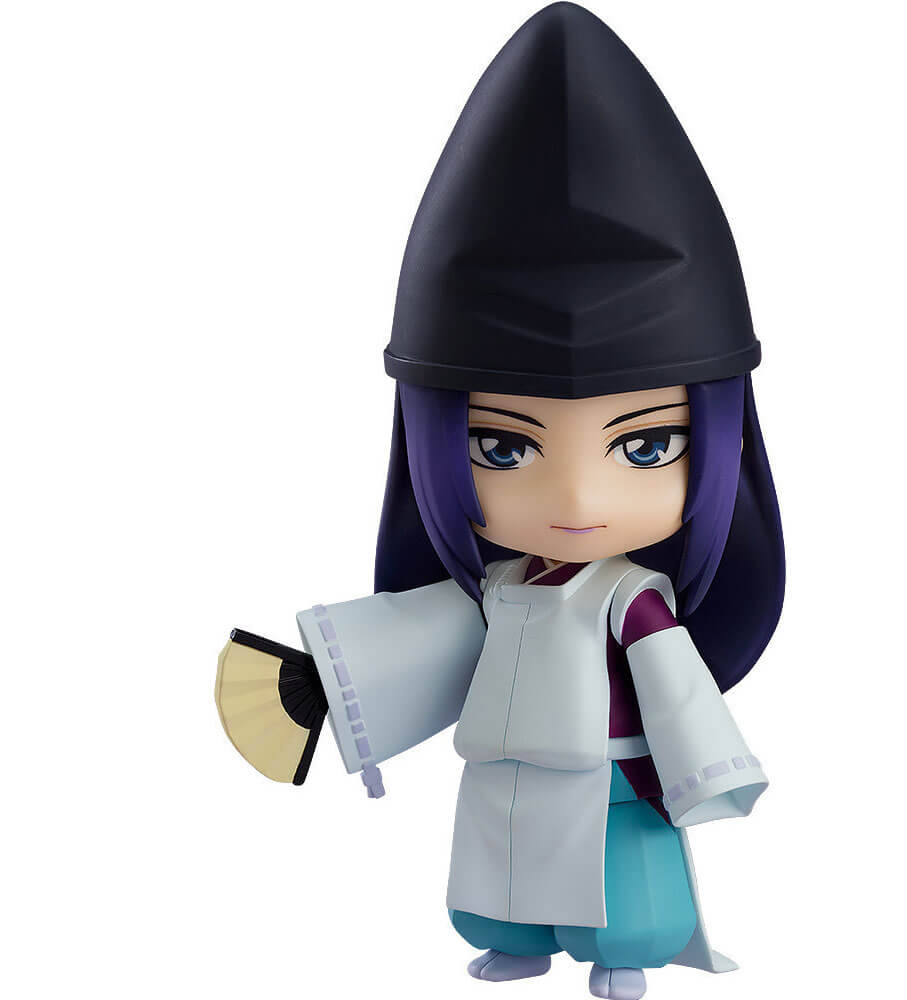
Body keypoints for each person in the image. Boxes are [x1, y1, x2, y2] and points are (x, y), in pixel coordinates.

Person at [215, 6, 784, 998]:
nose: (575, 496)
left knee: (620, 888)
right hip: (505, 775)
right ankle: (514, 938)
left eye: (645, 446)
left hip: (612, 773)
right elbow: (422, 639)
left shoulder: (631, 603)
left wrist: (701, 770)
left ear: (724, 439)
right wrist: (320, 686)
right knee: (496, 879)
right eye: (503, 446)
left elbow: (678, 690)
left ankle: (622, 957)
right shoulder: (500, 589)